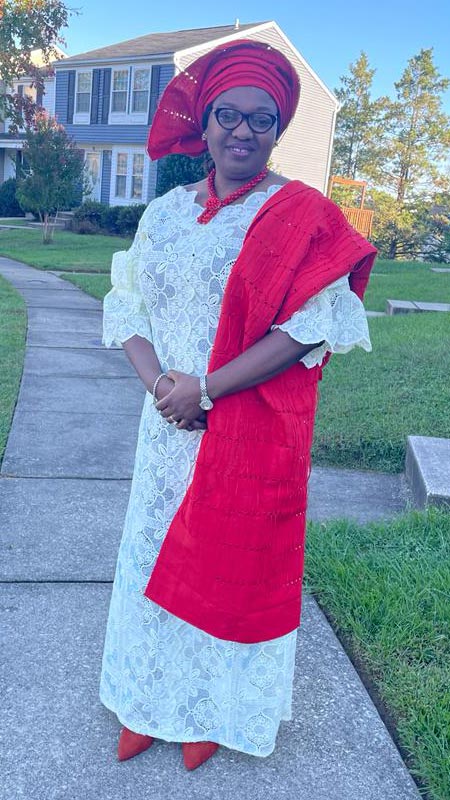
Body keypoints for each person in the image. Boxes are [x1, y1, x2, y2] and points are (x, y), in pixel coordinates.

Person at [99, 38, 376, 771]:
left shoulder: (301, 213)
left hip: (239, 426)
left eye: (261, 118)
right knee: (153, 555)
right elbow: (128, 304)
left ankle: (209, 711)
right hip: (164, 428)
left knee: (226, 570)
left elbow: (310, 324)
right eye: (229, 115)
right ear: (207, 119)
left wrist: (208, 389)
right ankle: (144, 701)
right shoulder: (160, 214)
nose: (243, 131)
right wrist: (164, 387)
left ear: (279, 128)